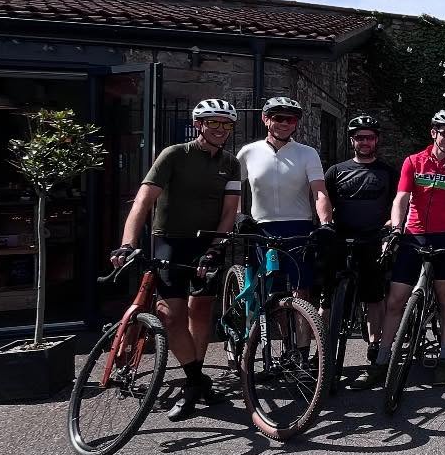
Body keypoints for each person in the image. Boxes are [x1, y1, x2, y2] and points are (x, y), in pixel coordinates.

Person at [111, 98, 241, 421]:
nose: (220, 130)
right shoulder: (174, 155)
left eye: (226, 124)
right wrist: (127, 243)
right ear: (199, 124)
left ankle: (192, 383)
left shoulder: (231, 162)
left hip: (207, 245)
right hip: (169, 242)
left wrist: (216, 247)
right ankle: (196, 381)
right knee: (171, 316)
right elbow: (142, 201)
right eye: (213, 123)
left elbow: (229, 212)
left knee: (202, 312)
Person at [375, 108, 445, 388]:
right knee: (395, 300)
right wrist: (396, 228)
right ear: (434, 133)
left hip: (444, 237)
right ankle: (382, 360)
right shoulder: (413, 162)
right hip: (413, 236)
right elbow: (401, 198)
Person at [236, 97, 333, 305]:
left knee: (302, 289)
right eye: (279, 118)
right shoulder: (249, 152)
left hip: (299, 227)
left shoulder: (307, 153)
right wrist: (237, 215)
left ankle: (301, 338)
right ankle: (264, 334)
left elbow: (319, 192)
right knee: (268, 290)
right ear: (265, 119)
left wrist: (325, 224)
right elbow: (233, 188)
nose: (285, 124)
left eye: (291, 120)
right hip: (261, 227)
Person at [323, 114, 394, 389]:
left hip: (372, 241)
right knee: (327, 297)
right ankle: (323, 345)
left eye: (370, 137)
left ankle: (374, 348)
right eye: (360, 138)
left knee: (374, 298)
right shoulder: (336, 171)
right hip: (341, 240)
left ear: (376, 140)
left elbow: (397, 206)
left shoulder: (387, 172)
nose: (365, 142)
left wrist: (390, 227)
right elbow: (323, 202)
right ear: (352, 140)